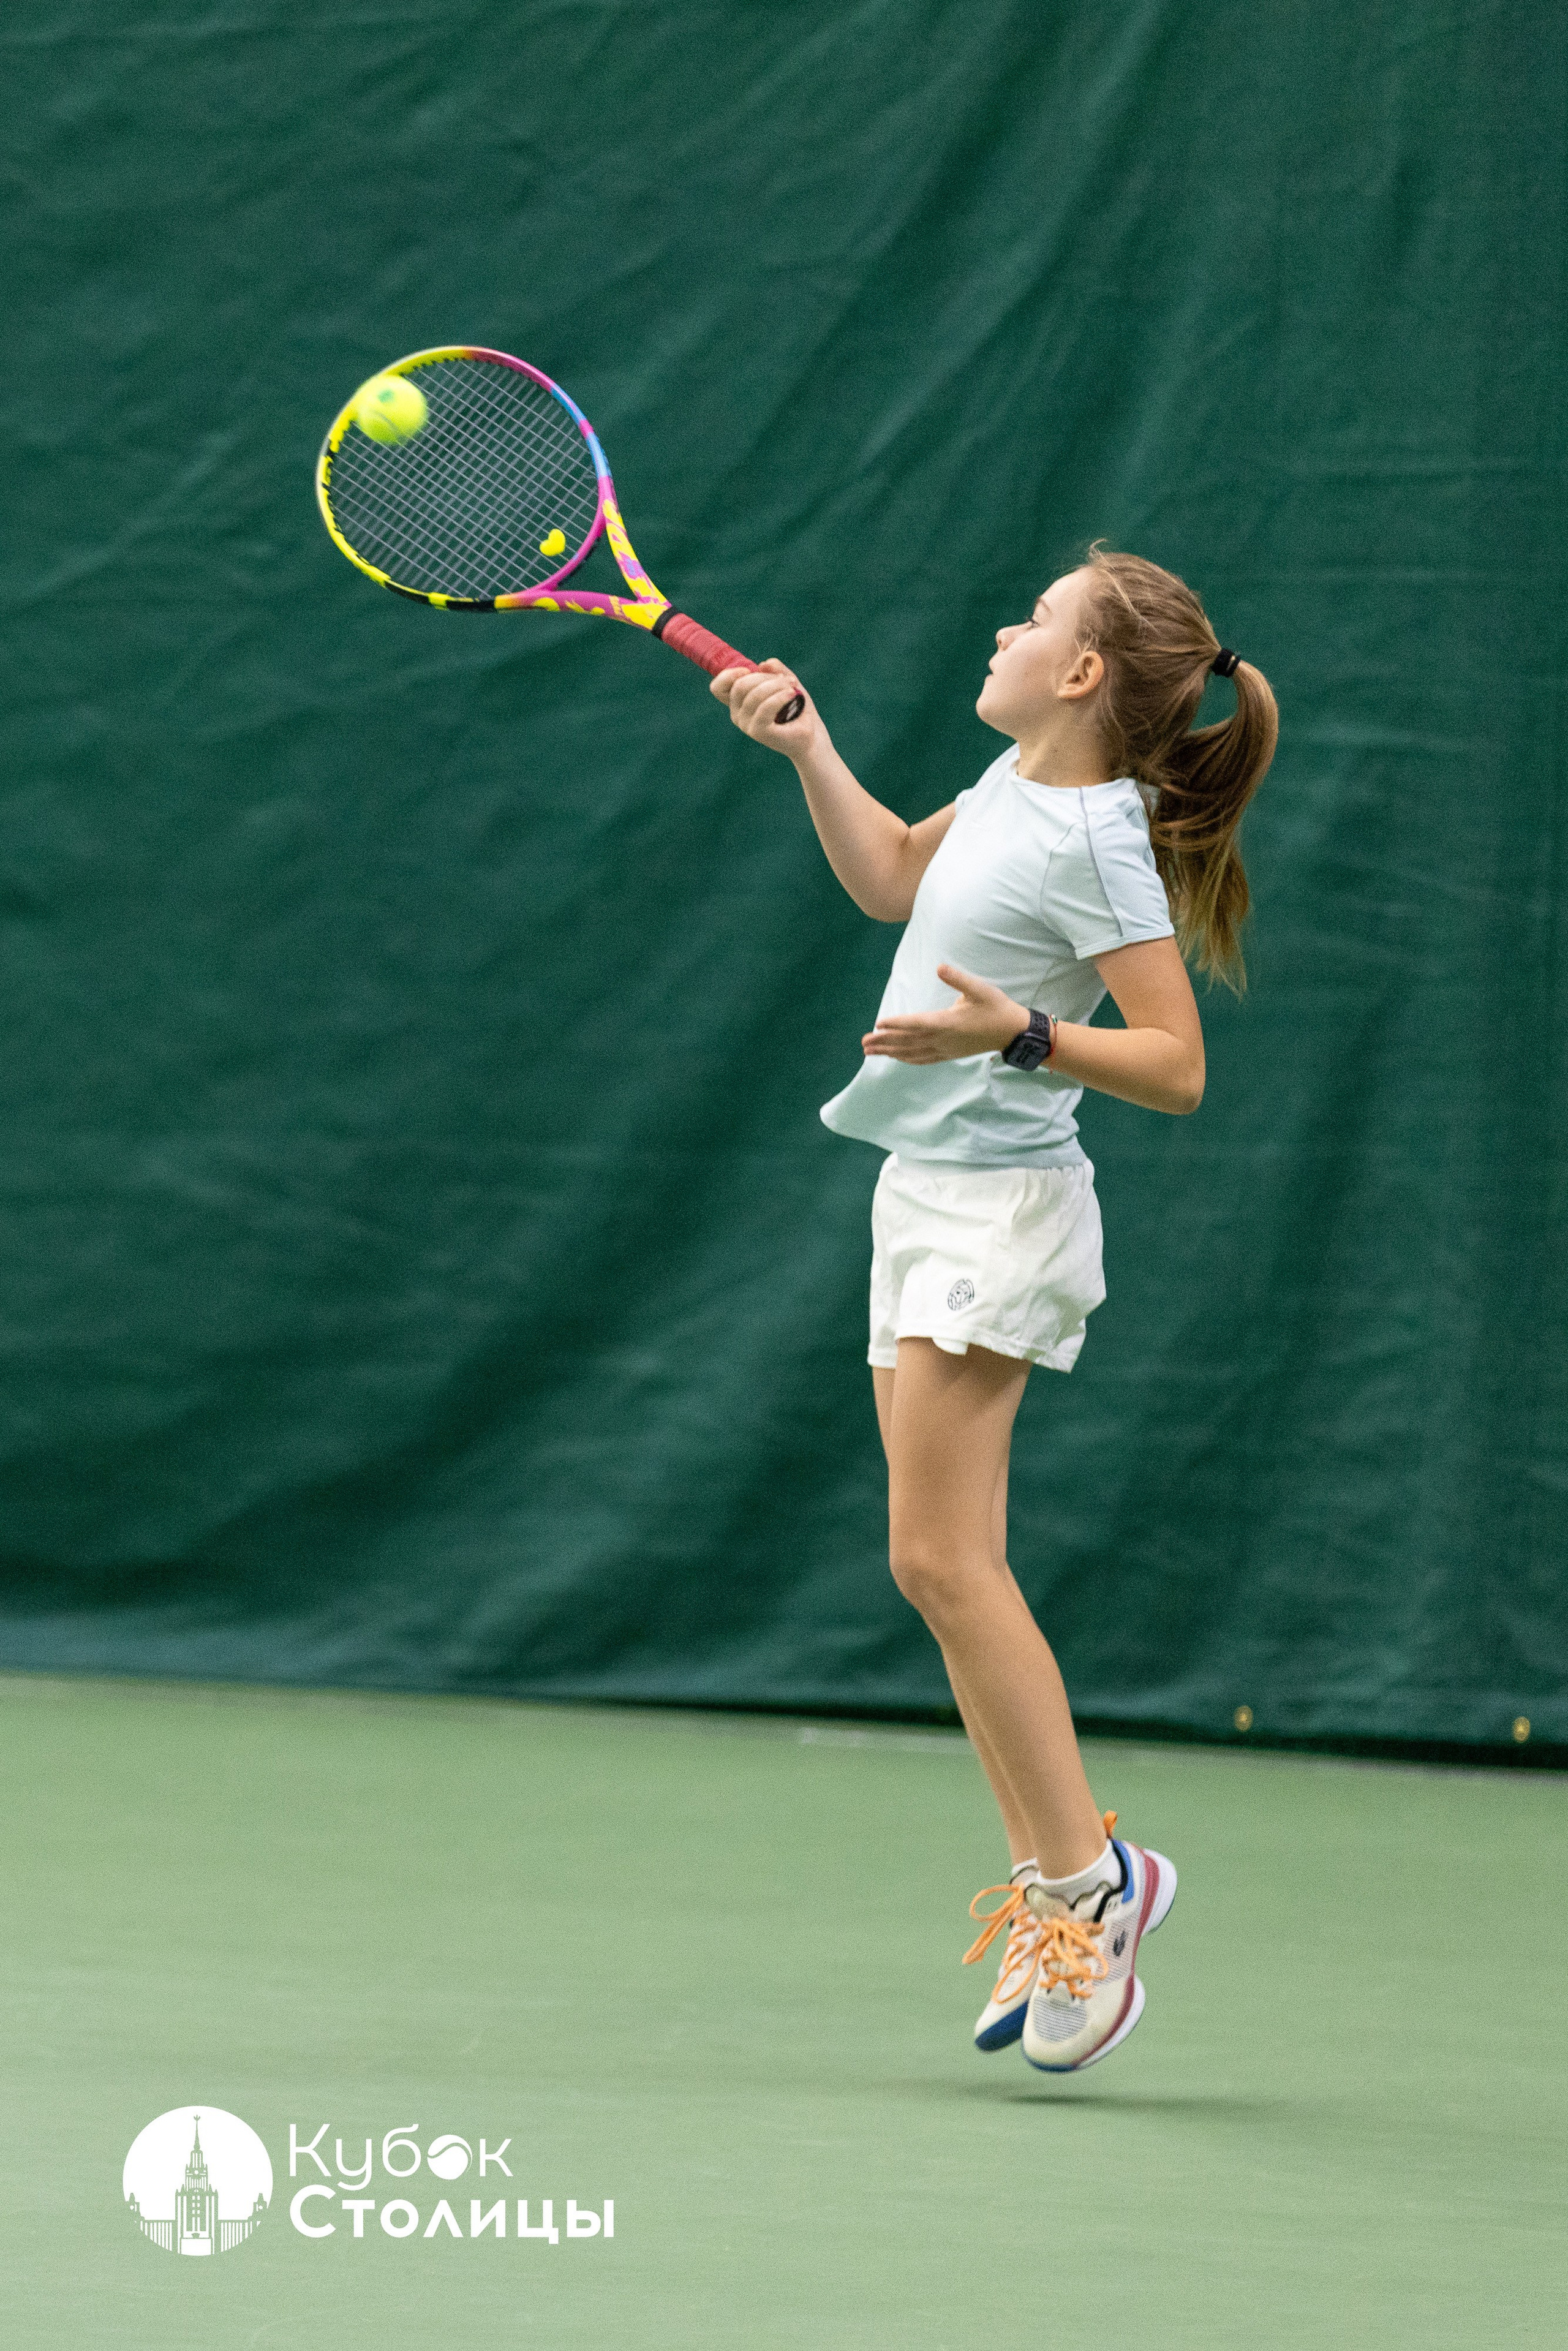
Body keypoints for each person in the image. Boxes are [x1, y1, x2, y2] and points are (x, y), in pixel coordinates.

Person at [713, 547, 1279, 2073]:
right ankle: (1075, 1884)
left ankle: (1086, 1891)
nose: (1002, 626)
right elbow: (898, 875)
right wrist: (809, 748)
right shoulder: (1016, 774)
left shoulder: (1098, 840)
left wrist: (1022, 1032)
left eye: (1033, 619)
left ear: (1084, 675)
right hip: (919, 1189)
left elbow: (1174, 1063)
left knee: (944, 1560)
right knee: (934, 1566)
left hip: (1002, 1211)